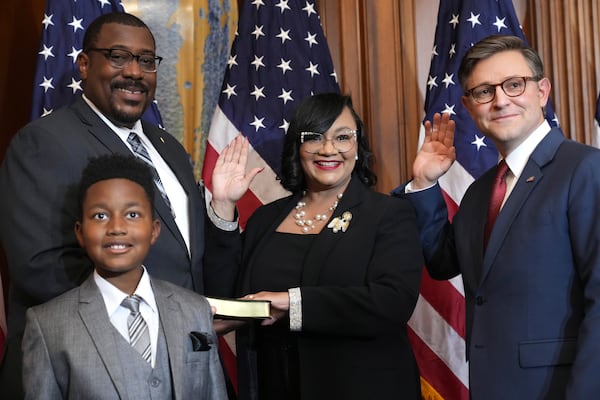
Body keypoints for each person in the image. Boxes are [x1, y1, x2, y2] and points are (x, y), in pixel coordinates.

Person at [0, 12, 238, 398]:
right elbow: (40, 268)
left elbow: (185, 257)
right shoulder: (43, 142)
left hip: (181, 361)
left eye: (146, 61)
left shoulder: (168, 148)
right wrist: (158, 317)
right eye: (118, 56)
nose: (135, 72)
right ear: (84, 64)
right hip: (90, 367)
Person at [393, 34, 600, 399]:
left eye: (514, 85)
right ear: (469, 107)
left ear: (542, 91)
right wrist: (424, 183)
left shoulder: (585, 169)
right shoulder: (481, 191)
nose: (501, 100)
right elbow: (443, 263)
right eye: (484, 91)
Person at [211, 93, 424, 400]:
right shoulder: (265, 219)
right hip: (274, 386)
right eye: (314, 137)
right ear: (298, 147)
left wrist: (292, 303)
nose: (328, 149)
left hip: (362, 389)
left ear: (357, 146)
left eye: (342, 137)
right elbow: (228, 296)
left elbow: (392, 302)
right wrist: (223, 202)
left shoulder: (389, 215)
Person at [21, 154, 227, 399]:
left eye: (132, 215)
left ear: (153, 230)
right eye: (100, 216)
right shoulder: (47, 326)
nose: (116, 227)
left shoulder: (194, 310)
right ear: (80, 232)